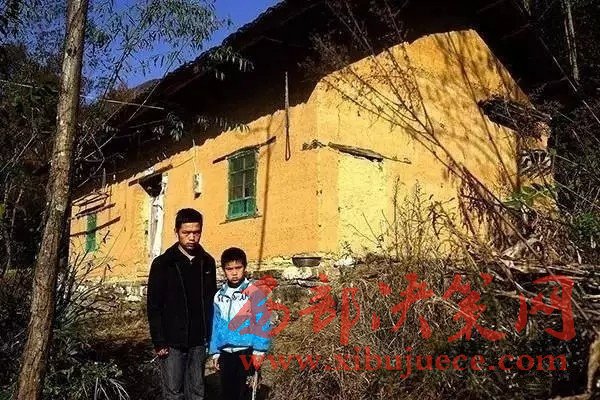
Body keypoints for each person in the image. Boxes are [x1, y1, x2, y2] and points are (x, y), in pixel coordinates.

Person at [147, 208, 217, 400]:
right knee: (173, 392)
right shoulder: (163, 264)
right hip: (172, 341)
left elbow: (211, 301)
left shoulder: (207, 262)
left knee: (197, 391)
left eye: (196, 232)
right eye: (186, 232)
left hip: (199, 339)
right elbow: (154, 305)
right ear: (176, 231)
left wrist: (211, 337)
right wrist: (159, 341)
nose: (192, 237)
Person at [209, 247, 272, 400]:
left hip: (246, 350)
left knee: (243, 392)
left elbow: (262, 322)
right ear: (223, 270)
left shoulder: (253, 293)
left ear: (245, 267)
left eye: (238, 268)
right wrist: (215, 351)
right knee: (227, 392)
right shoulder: (219, 296)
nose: (234, 273)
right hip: (226, 352)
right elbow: (215, 325)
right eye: (229, 269)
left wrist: (259, 350)